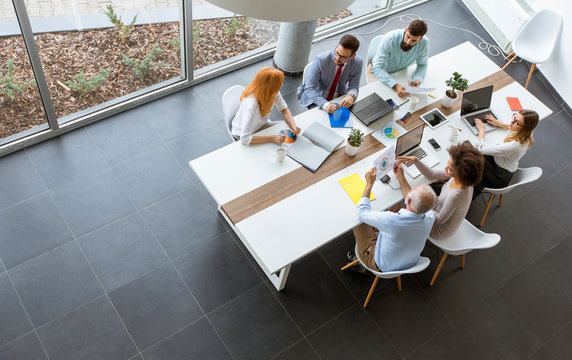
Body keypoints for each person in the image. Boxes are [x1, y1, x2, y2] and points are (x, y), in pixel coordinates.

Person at [349, 165, 436, 272]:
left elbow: (362, 213)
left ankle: (362, 260)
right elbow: (413, 200)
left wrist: (369, 184)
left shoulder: (391, 220)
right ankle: (377, 228)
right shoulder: (430, 216)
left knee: (357, 220)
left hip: (381, 265)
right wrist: (401, 177)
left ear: (408, 200)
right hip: (409, 262)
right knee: (395, 205)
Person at [396, 142, 484, 239]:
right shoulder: (463, 179)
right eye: (448, 164)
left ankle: (400, 178)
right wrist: (416, 160)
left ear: (460, 174)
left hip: (438, 229)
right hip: (438, 208)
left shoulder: (456, 196)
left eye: (450, 169)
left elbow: (439, 220)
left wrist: (423, 204)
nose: (445, 168)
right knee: (415, 195)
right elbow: (431, 174)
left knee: (412, 198)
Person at [473, 109, 539, 196]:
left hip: (498, 177)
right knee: (473, 157)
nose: (512, 122)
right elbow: (512, 127)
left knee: (471, 156)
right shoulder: (528, 133)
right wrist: (498, 124)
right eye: (514, 118)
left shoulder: (514, 146)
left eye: (517, 122)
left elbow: (480, 148)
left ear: (525, 128)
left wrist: (482, 130)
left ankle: (466, 192)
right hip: (502, 165)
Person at [231, 67, 301, 145]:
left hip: (260, 125)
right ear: (270, 87)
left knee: (283, 127)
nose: (282, 85)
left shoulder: (273, 92)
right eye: (279, 83)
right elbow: (244, 138)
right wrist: (272, 138)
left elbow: (284, 109)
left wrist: (293, 126)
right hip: (241, 134)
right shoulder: (252, 106)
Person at [297, 35, 363, 113]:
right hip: (317, 98)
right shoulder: (321, 60)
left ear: (353, 56)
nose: (337, 58)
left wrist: (351, 96)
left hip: (339, 98)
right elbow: (309, 88)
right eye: (337, 53)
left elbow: (354, 87)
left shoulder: (357, 63)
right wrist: (325, 105)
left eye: (343, 57)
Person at [368, 19, 429, 98]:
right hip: (377, 72)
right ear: (407, 29)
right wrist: (396, 86)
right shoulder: (390, 38)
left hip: (399, 72)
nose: (408, 42)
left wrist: (417, 79)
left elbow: (422, 65)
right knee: (377, 100)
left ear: (420, 38)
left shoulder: (424, 42)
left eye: (414, 40)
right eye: (408, 36)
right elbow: (378, 68)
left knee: (403, 102)